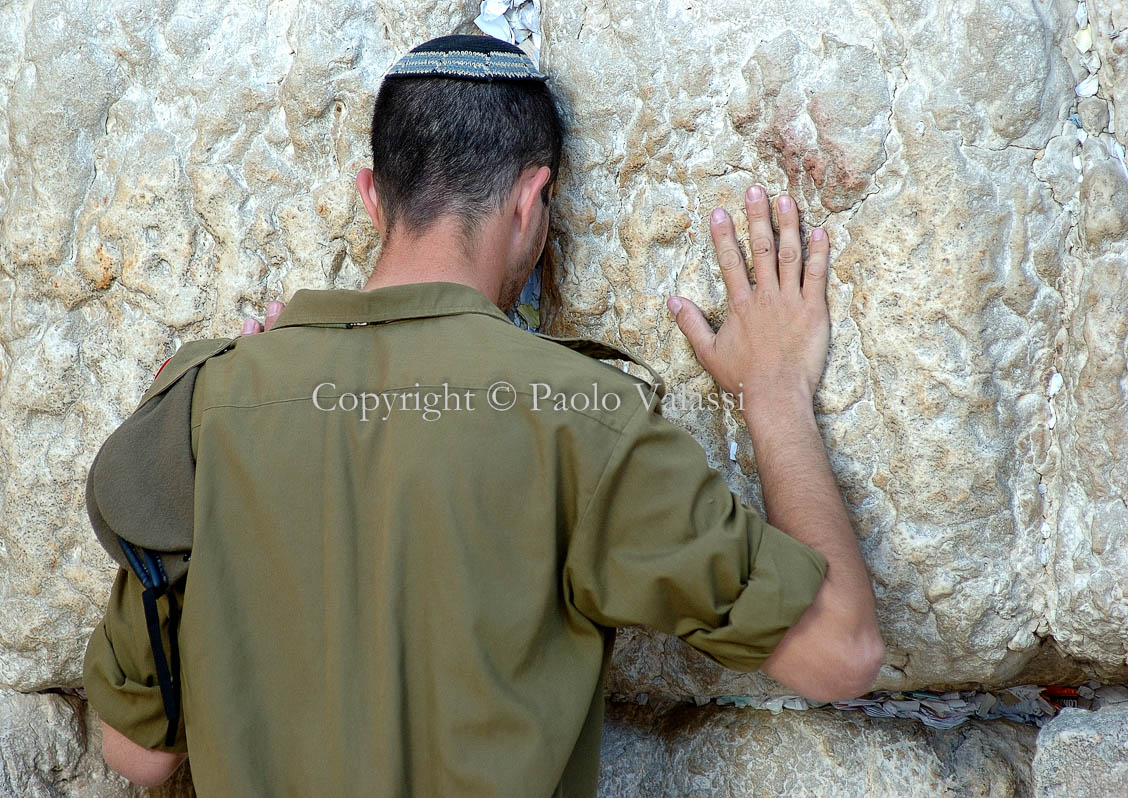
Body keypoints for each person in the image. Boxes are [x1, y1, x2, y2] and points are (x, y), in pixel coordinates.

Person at [82, 34, 884, 796]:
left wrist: (225, 397)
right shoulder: (583, 421)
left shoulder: (205, 409)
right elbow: (839, 651)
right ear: (533, 201)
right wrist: (774, 391)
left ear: (372, 195)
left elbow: (137, 753)